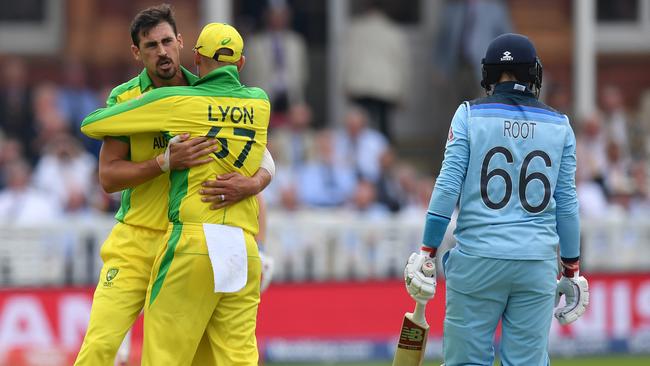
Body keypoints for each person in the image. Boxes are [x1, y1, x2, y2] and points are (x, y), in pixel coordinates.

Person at [74, 5, 273, 366]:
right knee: (100, 346)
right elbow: (108, 178)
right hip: (136, 241)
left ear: (183, 43)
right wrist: (164, 162)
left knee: (200, 358)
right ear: (137, 52)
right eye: (151, 46)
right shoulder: (126, 99)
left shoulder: (204, 90)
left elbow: (260, 153)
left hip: (189, 241)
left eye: (167, 41)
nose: (162, 52)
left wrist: (254, 183)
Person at [403, 33, 590, 365]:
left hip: (478, 258)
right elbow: (567, 204)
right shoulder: (560, 126)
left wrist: (427, 250)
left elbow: (447, 187)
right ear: (533, 73)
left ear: (488, 73)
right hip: (535, 263)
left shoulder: (469, 115)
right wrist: (572, 268)